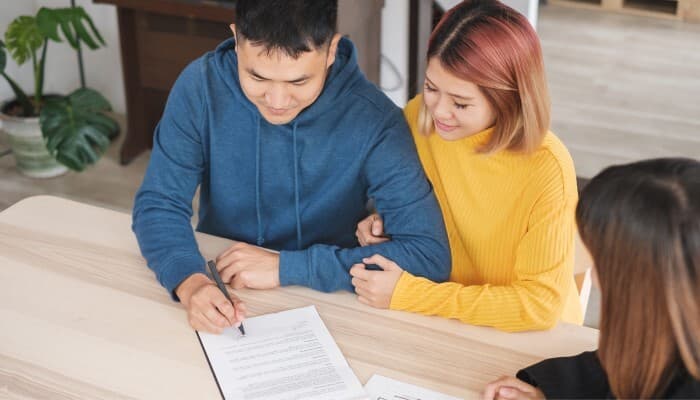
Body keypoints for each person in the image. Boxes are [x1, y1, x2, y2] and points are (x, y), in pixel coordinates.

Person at [132, 0, 450, 334]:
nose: (277, 101)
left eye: (298, 82)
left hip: (335, 300)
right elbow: (159, 202)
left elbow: (428, 255)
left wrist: (289, 268)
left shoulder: (375, 119)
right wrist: (190, 281)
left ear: (331, 51)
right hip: (224, 283)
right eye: (257, 76)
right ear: (236, 39)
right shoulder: (201, 85)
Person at [352, 0, 582, 331]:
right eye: (432, 87)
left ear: (509, 99)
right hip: (446, 319)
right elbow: (423, 207)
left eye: (461, 103)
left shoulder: (547, 169)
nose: (440, 111)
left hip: (525, 336)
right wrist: (387, 222)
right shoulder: (420, 117)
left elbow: (537, 305)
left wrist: (413, 295)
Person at [483, 158, 700, 399]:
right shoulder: (673, 335)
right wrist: (549, 390)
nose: (593, 276)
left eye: (601, 261)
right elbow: (626, 362)